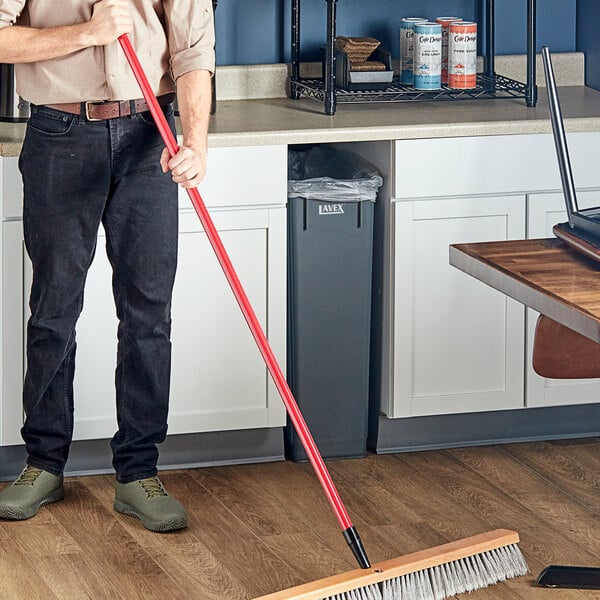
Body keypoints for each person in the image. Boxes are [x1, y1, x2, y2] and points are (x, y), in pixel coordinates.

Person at [0, 0, 215, 532]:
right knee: (54, 309)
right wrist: (87, 32)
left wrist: (196, 143)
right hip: (59, 134)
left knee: (148, 314)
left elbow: (193, 51)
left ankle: (138, 472)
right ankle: (43, 464)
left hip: (151, 137)